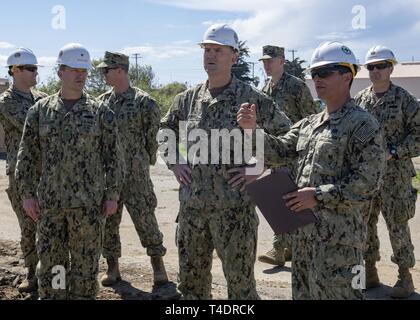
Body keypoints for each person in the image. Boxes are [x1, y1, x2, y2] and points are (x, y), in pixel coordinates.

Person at [237, 41, 386, 299]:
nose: (317, 79)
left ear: (347, 75)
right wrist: (252, 131)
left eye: (325, 72)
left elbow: (368, 182)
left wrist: (317, 195)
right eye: (314, 74)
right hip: (303, 240)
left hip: (338, 243)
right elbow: (280, 150)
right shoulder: (309, 123)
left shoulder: (363, 124)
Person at [159, 24, 291, 299]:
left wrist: (259, 167)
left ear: (234, 56)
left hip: (235, 213)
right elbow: (164, 130)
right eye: (207, 49)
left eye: (218, 50)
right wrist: (175, 161)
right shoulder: (187, 99)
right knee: (191, 288)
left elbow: (289, 139)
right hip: (192, 212)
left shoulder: (251, 99)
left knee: (241, 289)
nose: (211, 55)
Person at [15, 43, 124, 299]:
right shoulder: (40, 112)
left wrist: (112, 195)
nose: (80, 75)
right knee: (54, 270)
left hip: (88, 208)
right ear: (60, 72)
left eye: (84, 70)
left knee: (85, 272)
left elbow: (114, 158)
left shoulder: (101, 113)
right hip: (50, 207)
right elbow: (27, 156)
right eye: (74, 69)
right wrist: (27, 194)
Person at [96, 51, 168, 286]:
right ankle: (112, 267)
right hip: (109, 177)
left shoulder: (143, 102)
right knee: (108, 223)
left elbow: (152, 139)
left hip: (136, 175)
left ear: (120, 70)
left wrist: (140, 163)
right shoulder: (101, 102)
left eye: (106, 70)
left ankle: (158, 267)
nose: (103, 74)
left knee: (146, 220)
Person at [355, 45, 420, 298]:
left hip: (396, 176)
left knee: (397, 225)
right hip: (366, 177)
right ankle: (369, 272)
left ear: (391, 67)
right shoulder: (360, 100)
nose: (375, 71)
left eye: (380, 66)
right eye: (371, 67)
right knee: (365, 224)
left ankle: (405, 278)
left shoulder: (404, 100)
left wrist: (395, 151)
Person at [258, 45, 320, 267]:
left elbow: (312, 118)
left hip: (296, 152)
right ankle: (286, 248)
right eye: (263, 61)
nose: (266, 64)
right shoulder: (264, 89)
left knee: (292, 199)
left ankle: (283, 248)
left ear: (282, 61)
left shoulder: (296, 86)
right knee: (279, 199)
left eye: (270, 60)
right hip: (275, 152)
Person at [0, 48, 47, 292]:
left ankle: (52, 271)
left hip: (47, 173)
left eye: (36, 68)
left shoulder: (40, 98)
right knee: (29, 226)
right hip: (21, 174)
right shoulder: (6, 102)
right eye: (31, 69)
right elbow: (36, 125)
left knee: (50, 224)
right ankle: (32, 273)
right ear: (15, 71)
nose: (35, 73)